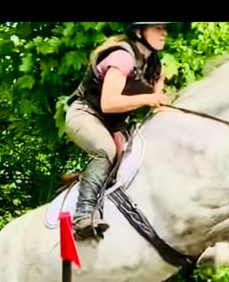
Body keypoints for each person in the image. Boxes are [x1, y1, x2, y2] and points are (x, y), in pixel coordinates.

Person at [64, 22, 172, 240]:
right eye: (158, 27)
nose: (164, 32)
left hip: (113, 124)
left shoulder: (155, 67)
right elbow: (109, 103)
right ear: (140, 32)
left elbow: (158, 106)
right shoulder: (122, 57)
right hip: (86, 114)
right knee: (105, 151)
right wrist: (149, 98)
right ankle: (82, 216)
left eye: (164, 27)